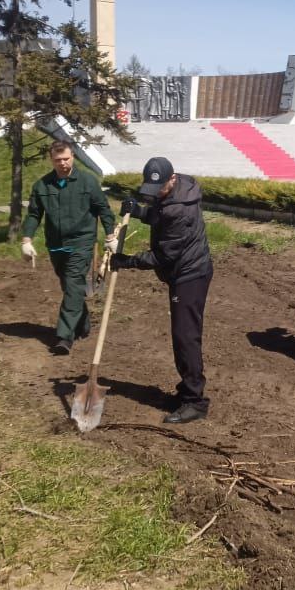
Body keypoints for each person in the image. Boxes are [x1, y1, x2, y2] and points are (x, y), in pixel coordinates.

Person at [110, 158, 214, 424]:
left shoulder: (181, 211)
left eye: (160, 189)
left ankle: (195, 402)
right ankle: (186, 391)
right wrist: (140, 211)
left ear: (172, 178)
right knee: (182, 335)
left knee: (185, 337)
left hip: (190, 274)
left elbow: (163, 256)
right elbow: (159, 214)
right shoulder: (176, 192)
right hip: (184, 270)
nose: (157, 194)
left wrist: (127, 261)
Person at [21, 141, 117, 355]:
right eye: (58, 160)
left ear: (73, 157)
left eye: (66, 158)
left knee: (73, 284)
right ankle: (82, 325)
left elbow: (103, 208)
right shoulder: (42, 185)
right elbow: (34, 214)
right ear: (51, 160)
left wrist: (110, 236)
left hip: (81, 242)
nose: (63, 163)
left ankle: (64, 336)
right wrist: (26, 240)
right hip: (56, 245)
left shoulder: (87, 182)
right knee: (70, 288)